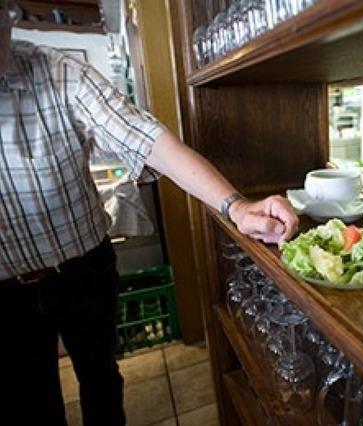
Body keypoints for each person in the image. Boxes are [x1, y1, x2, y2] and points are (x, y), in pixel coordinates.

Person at [0, 1, 298, 424]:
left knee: (101, 377)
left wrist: (237, 207)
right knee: (32, 401)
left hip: (83, 268)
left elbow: (148, 140)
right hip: (6, 292)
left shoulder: (54, 70)